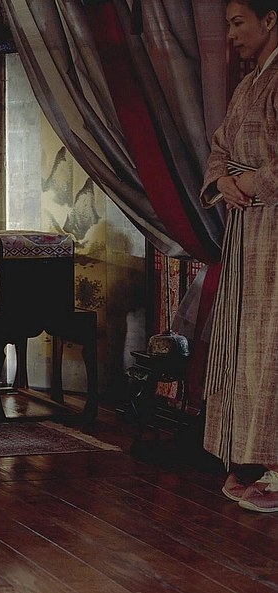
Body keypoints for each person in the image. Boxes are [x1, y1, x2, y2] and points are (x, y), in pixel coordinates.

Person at [201, 0, 278, 512]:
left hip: (274, 226)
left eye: (237, 23)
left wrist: (253, 183)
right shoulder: (250, 84)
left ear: (270, 19)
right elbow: (220, 147)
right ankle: (254, 456)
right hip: (247, 231)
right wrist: (223, 182)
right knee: (248, 343)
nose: (230, 35)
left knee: (274, 342)